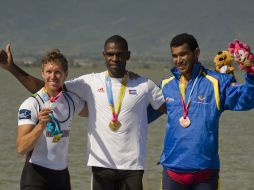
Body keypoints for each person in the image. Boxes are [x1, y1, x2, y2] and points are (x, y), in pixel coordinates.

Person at [0, 35, 166, 190]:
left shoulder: (143, 84)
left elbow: (170, 109)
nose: (115, 58)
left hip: (129, 166)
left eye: (119, 54)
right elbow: (49, 88)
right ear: (103, 55)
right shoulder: (89, 82)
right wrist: (12, 68)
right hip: (95, 166)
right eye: (110, 54)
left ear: (127, 55)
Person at [157, 33, 254, 190]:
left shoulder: (217, 83)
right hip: (172, 172)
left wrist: (251, 72)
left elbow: (247, 100)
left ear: (196, 53)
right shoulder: (165, 86)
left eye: (183, 54)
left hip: (205, 174)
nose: (178, 60)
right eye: (175, 56)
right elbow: (139, 112)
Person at [1, 49, 88, 190]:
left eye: (58, 72)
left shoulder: (72, 101)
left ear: (65, 75)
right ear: (42, 74)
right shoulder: (31, 104)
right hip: (36, 176)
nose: (53, 76)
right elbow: (21, 148)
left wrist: (123, 83)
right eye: (48, 72)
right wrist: (40, 126)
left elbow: (98, 112)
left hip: (62, 177)